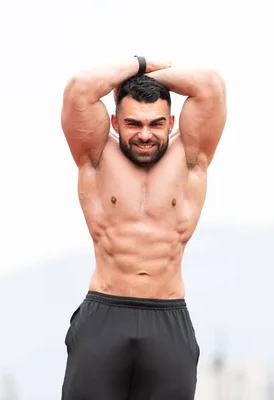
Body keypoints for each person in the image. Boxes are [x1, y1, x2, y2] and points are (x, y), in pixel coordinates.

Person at [59, 55, 227, 400]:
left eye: (156, 123)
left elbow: (209, 85)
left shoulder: (190, 158)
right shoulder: (96, 156)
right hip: (105, 315)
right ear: (115, 122)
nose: (145, 135)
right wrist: (139, 63)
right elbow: (80, 89)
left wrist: (153, 72)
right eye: (133, 123)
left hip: (167, 318)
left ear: (172, 121)